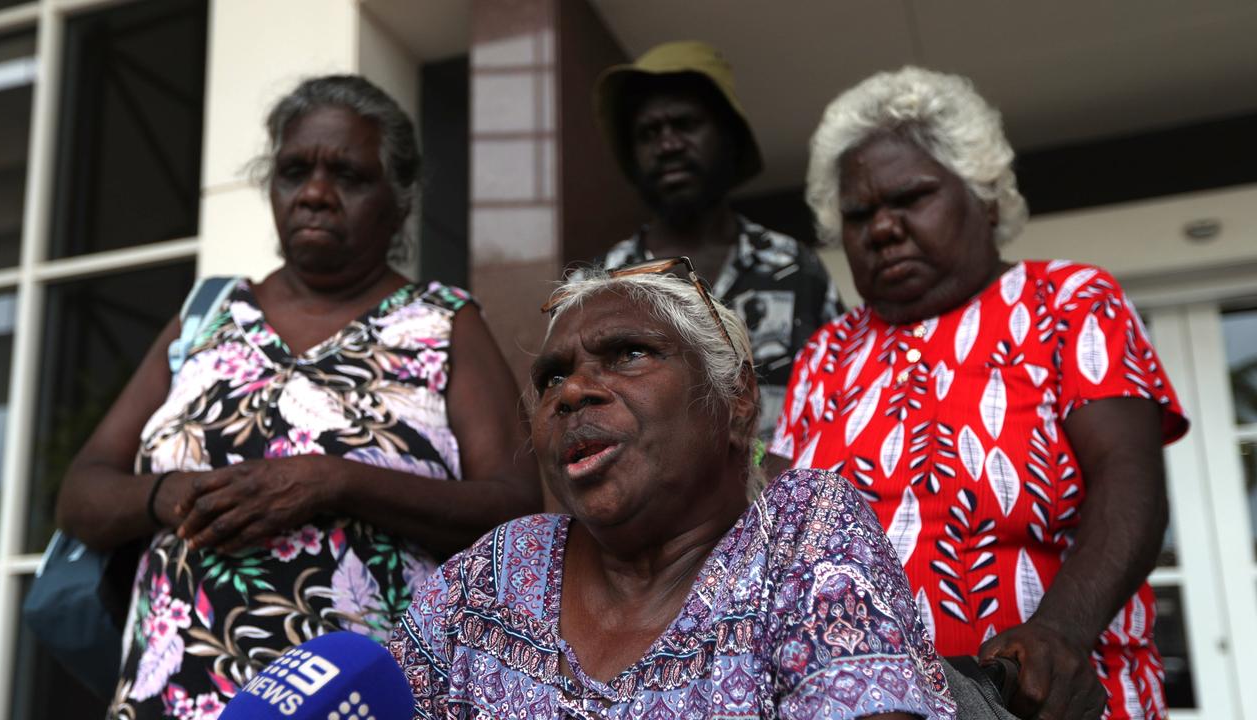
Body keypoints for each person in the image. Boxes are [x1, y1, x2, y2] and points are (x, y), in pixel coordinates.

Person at [55, 75, 540, 718]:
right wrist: (167, 494)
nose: (315, 193)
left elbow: (517, 514)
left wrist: (334, 482)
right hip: (171, 697)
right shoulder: (207, 317)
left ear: (398, 201)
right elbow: (81, 494)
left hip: (356, 700)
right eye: (294, 171)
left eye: (349, 175)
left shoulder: (444, 323)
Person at [770, 67, 1189, 720]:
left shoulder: (1070, 301)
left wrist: (1060, 634)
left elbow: (1127, 476)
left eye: (911, 198)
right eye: (859, 215)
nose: (882, 228)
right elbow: (782, 534)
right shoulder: (826, 355)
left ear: (986, 197)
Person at [390, 262, 956, 719]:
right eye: (552, 378)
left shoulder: (802, 530)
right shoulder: (491, 577)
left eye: (629, 354)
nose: (573, 392)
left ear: (736, 398)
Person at [593, 40, 843, 437]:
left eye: (686, 125)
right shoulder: (598, 288)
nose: (669, 145)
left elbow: (842, 400)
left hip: (784, 496)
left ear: (728, 137)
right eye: (649, 133)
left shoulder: (793, 267)